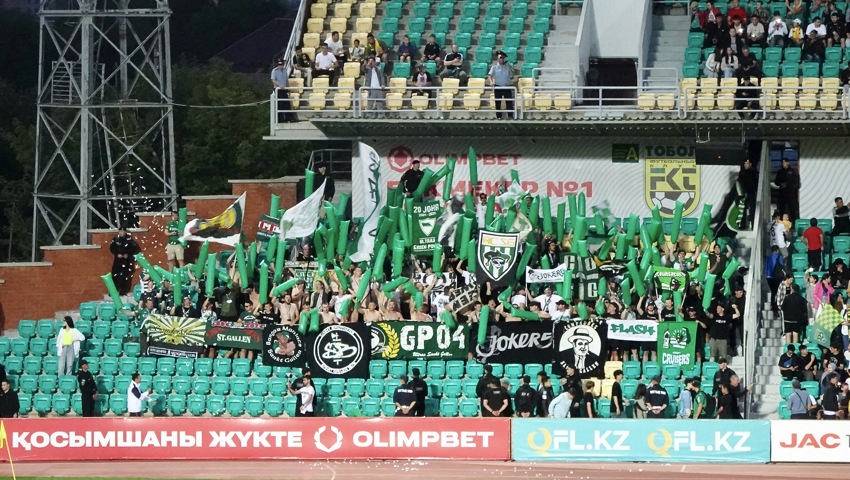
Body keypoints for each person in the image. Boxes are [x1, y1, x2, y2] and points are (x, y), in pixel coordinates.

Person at [110, 226, 139, 295]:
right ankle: (114, 291)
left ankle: (123, 291)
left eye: (123, 231)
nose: (121, 233)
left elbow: (134, 248)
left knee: (125, 275)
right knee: (115, 274)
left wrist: (128, 254)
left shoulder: (129, 240)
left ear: (125, 232)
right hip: (118, 260)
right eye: (120, 231)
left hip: (126, 261)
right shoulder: (115, 239)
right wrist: (117, 254)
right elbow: (112, 248)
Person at [488, 50, 516, 120]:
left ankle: (510, 116)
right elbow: (489, 75)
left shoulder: (508, 66)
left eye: (502, 58)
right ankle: (499, 116)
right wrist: (491, 82)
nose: (501, 60)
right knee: (498, 102)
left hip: (506, 86)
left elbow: (513, 74)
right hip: (498, 86)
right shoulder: (494, 66)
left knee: (509, 102)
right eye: (500, 58)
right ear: (497, 59)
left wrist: (508, 67)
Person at [271, 58, 297, 123]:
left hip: (284, 89)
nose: (280, 65)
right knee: (280, 104)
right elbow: (273, 80)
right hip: (278, 90)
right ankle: (280, 119)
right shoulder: (274, 71)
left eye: (281, 64)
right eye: (279, 64)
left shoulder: (285, 71)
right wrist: (279, 85)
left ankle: (289, 118)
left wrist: (288, 88)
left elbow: (286, 80)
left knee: (286, 104)